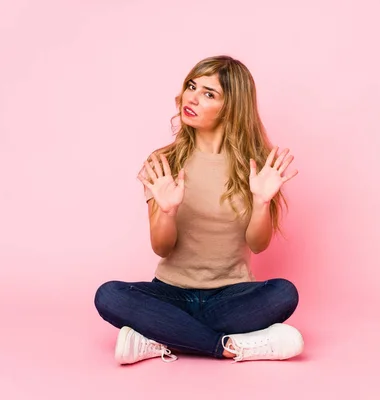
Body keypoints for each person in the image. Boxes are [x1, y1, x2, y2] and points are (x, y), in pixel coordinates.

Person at [94, 55, 304, 365]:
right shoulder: (164, 162)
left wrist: (261, 202)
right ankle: (230, 347)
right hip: (171, 294)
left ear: (231, 107)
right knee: (108, 295)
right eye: (192, 86)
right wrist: (165, 211)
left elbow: (258, 246)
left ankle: (159, 336)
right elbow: (161, 247)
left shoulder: (256, 167)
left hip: (231, 295)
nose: (191, 97)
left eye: (209, 93)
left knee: (284, 292)